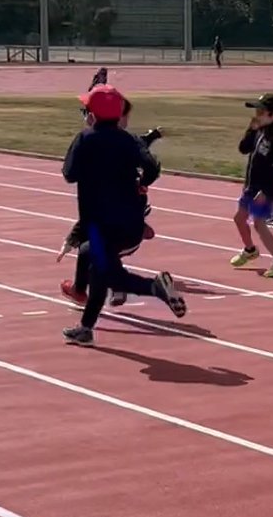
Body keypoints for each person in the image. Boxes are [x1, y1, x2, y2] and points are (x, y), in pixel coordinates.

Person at [60, 84, 186, 346]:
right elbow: (151, 168)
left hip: (99, 223)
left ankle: (154, 287)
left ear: (92, 115)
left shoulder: (85, 139)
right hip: (130, 222)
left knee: (107, 273)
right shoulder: (129, 140)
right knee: (95, 266)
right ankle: (85, 328)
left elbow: (69, 174)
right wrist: (141, 183)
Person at [229, 93, 273, 278]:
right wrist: (251, 129)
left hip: (265, 188)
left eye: (261, 111)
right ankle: (250, 249)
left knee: (259, 224)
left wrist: (265, 191)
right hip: (251, 185)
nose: (256, 114)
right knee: (239, 219)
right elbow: (243, 149)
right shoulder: (259, 129)